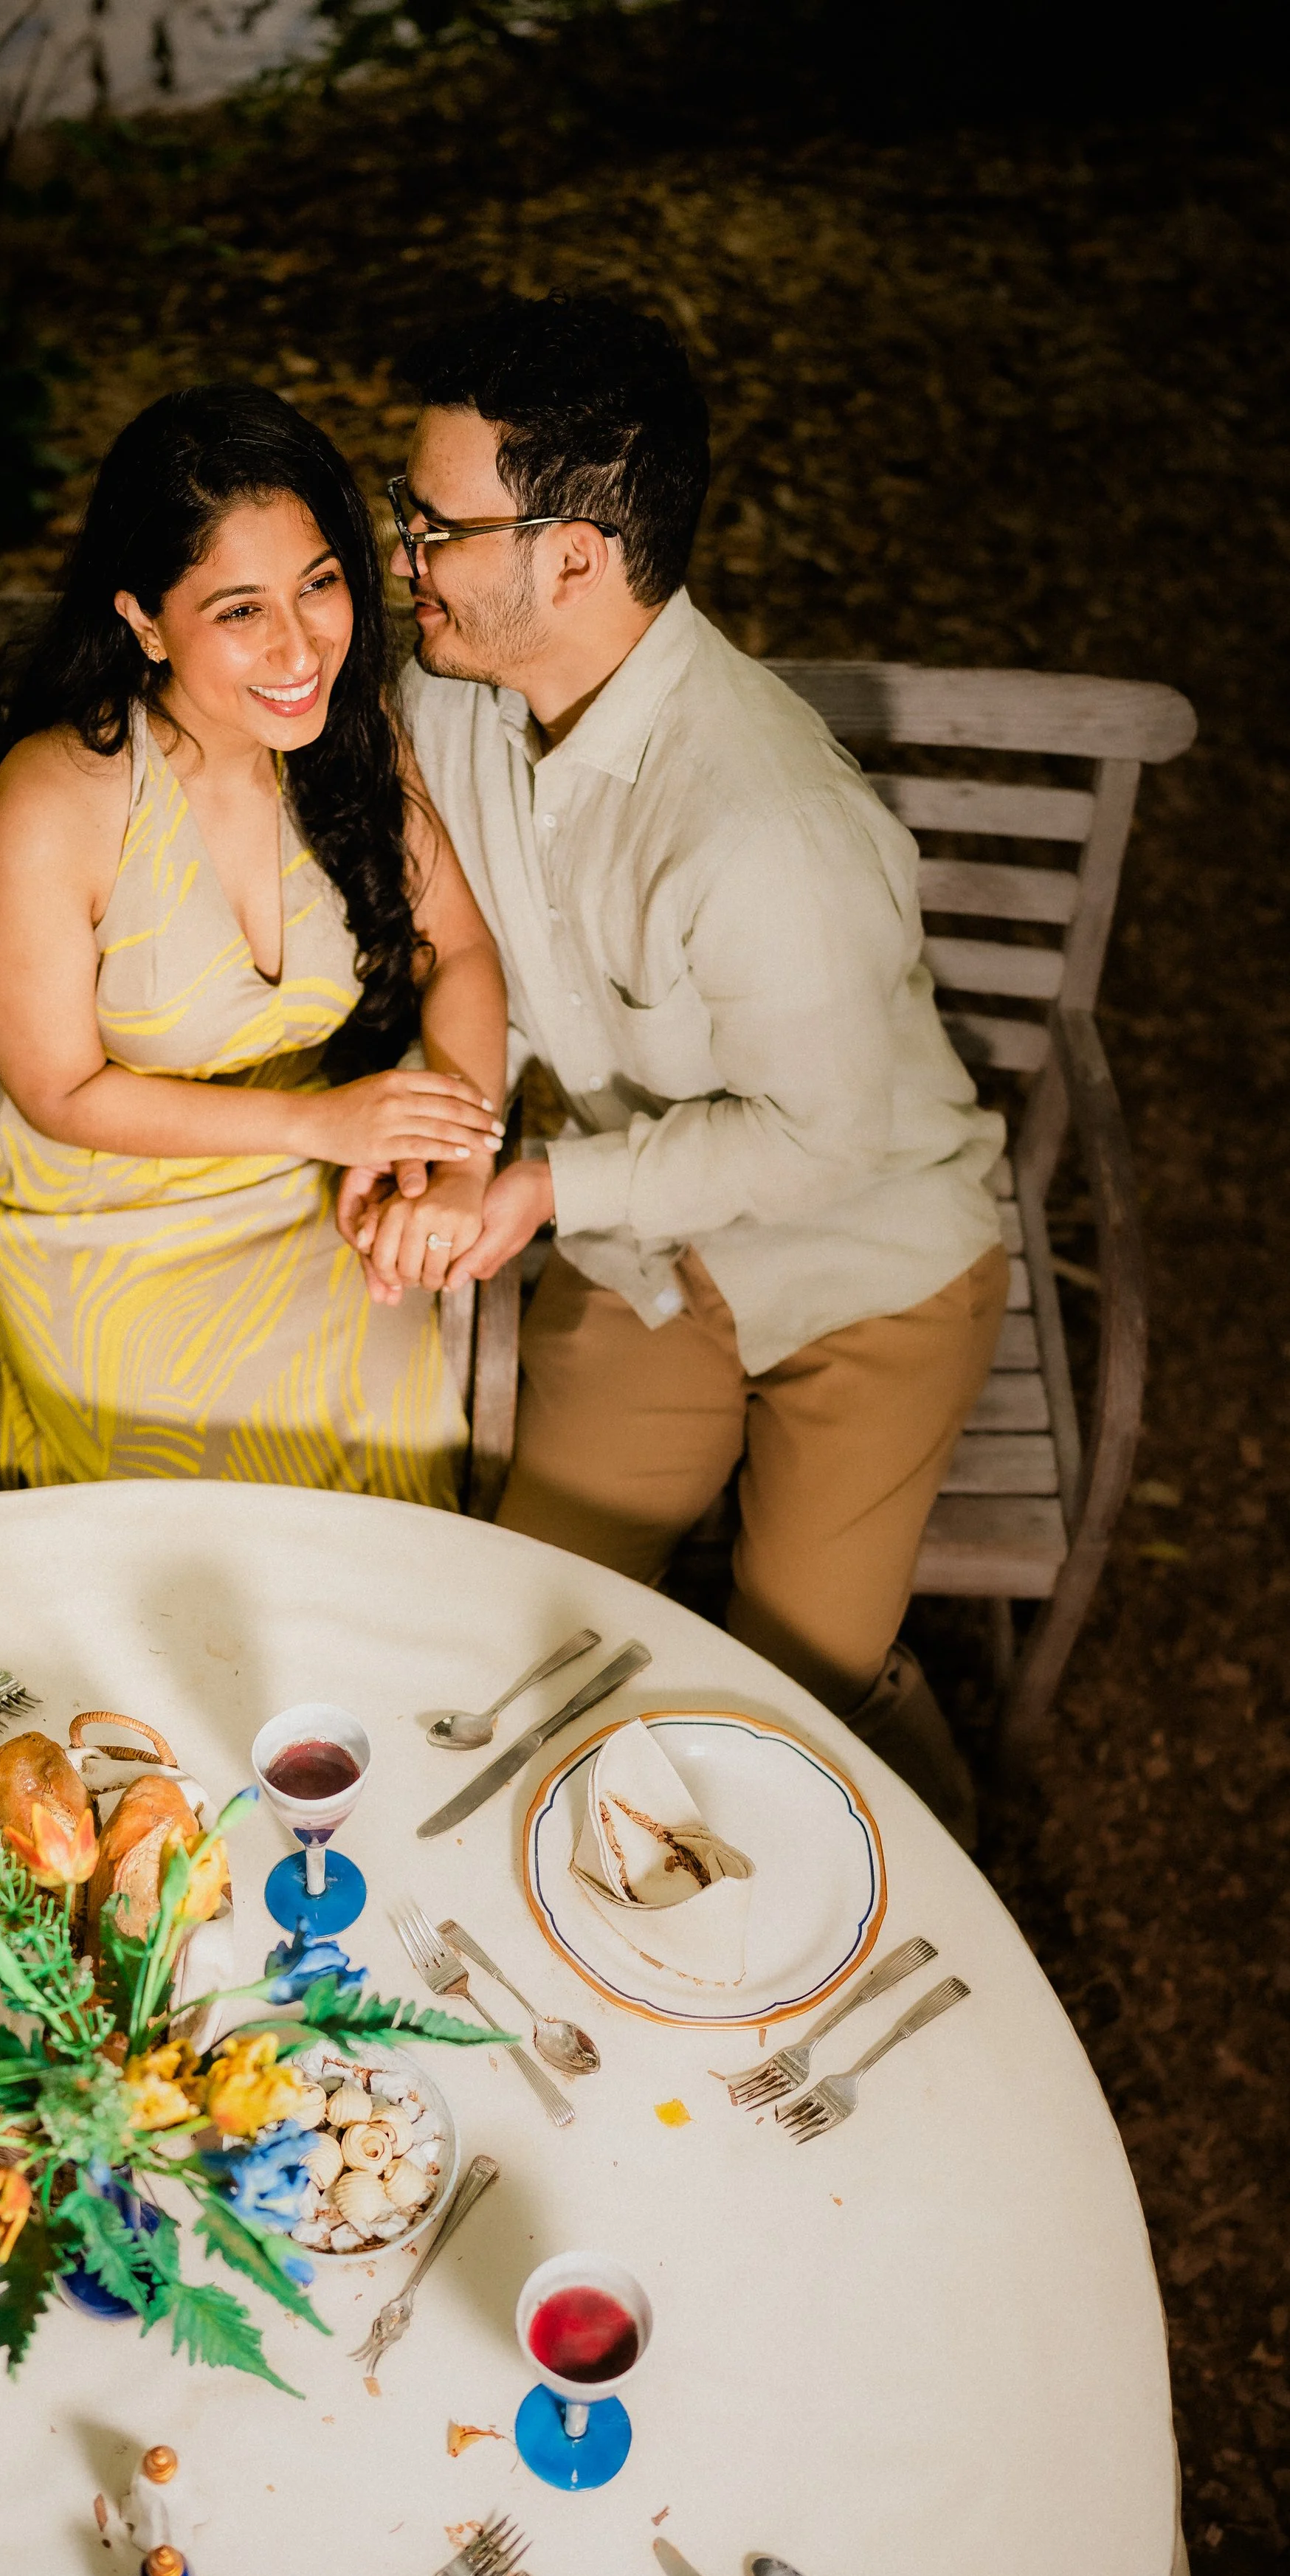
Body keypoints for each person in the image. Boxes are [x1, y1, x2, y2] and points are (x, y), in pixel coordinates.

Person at [347, 293, 1008, 1835]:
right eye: (403, 515)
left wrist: (533, 1189)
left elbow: (824, 1144)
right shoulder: (443, 704)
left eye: (430, 525)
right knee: (536, 1635)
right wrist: (451, 1151)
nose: (399, 558)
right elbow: (475, 963)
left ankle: (942, 1892)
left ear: (569, 556)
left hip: (870, 1268)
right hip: (642, 1256)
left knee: (795, 1706)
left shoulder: (766, 825)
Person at [0, 384, 508, 1505]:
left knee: (388, 1468)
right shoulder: (59, 799)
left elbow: (459, 950)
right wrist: (321, 1121)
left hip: (311, 1190)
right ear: (145, 620)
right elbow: (61, 1089)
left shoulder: (349, 737)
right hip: (107, 1209)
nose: (303, 645)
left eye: (319, 584)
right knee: (185, 1502)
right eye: (241, 610)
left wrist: (457, 1155)